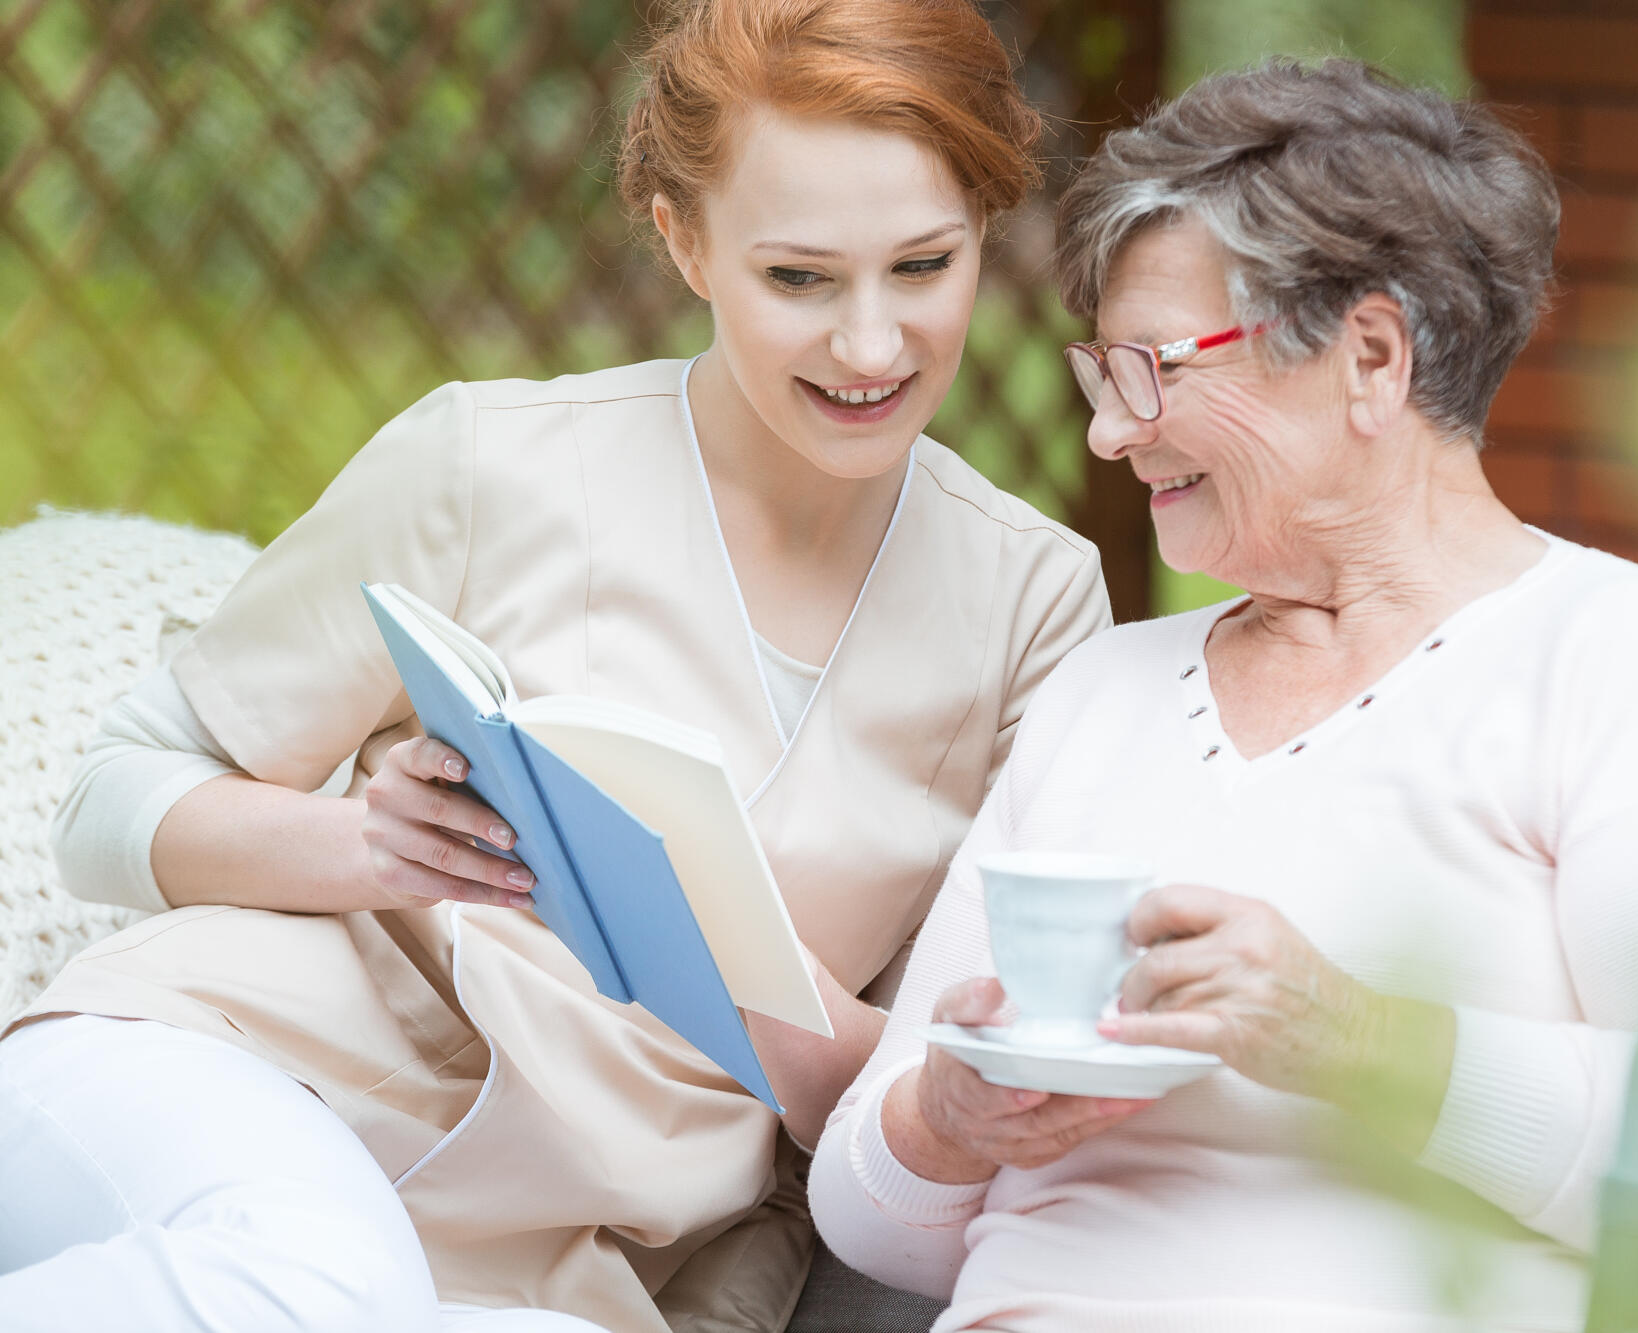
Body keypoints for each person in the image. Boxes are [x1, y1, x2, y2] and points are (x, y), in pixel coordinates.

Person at [0, 2, 1109, 1330]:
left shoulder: (1035, 606)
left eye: (923, 267)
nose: (871, 347)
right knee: (313, 1279)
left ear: (988, 232)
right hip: (224, 1074)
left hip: (558, 1261)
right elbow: (108, 798)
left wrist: (732, 965)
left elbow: (935, 1099)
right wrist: (366, 847)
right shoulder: (488, 464)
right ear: (684, 241)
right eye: (800, 279)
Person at [810, 58, 1638, 1333]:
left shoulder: (1621, 666)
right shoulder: (1101, 692)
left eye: (1151, 370)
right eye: (1103, 378)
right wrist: (945, 1118)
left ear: (1369, 357)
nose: (1109, 434)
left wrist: (1368, 1045)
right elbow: (870, 1220)